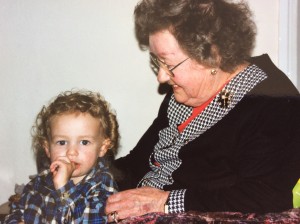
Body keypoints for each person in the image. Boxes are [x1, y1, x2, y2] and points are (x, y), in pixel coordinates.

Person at [105, 0, 300, 221]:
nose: (161, 77)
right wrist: (90, 173)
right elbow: (139, 162)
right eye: (156, 62)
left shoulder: (273, 103)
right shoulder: (185, 94)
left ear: (213, 56)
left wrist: (165, 201)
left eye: (169, 64)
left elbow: (266, 195)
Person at [4, 90, 119, 224]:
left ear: (103, 147)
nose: (71, 152)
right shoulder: (38, 184)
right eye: (62, 142)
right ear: (47, 148)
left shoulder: (103, 185)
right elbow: (16, 212)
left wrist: (63, 188)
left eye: (84, 142)